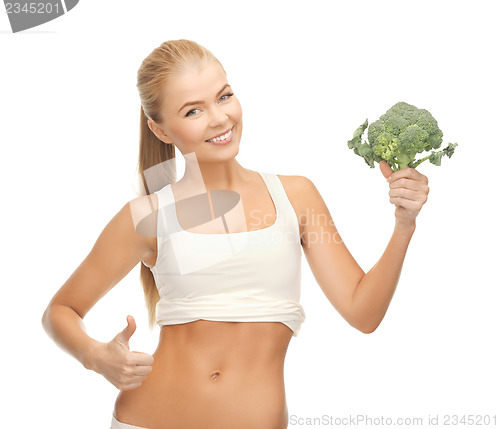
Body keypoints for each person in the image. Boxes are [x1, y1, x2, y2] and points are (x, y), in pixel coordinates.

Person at [41, 39, 430, 429]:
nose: (218, 118)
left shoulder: (296, 196)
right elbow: (60, 311)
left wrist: (404, 224)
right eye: (193, 110)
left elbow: (363, 313)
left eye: (223, 97)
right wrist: (95, 356)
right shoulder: (148, 216)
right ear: (159, 129)